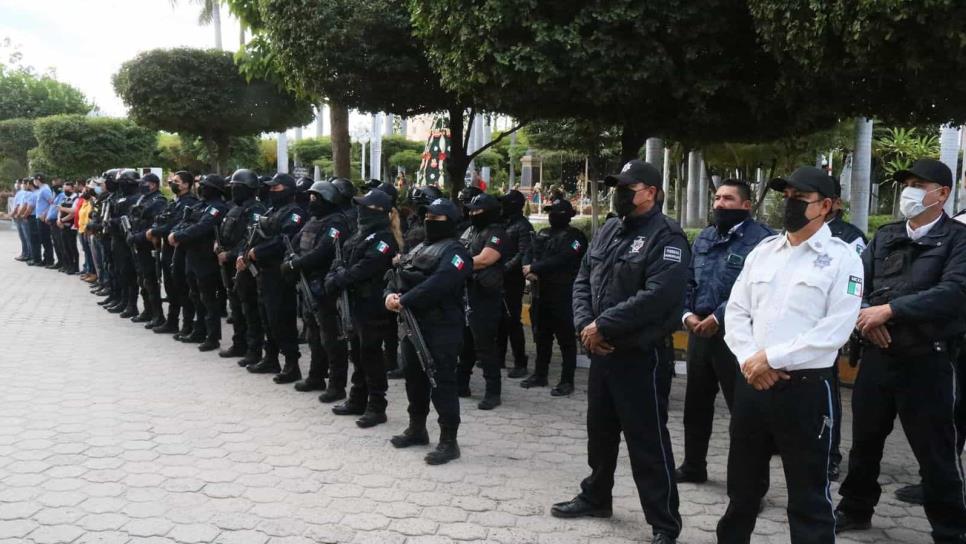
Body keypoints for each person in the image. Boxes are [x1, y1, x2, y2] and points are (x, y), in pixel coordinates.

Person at [716, 166, 863, 544]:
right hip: (752, 385)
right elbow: (736, 311)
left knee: (808, 498)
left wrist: (771, 358)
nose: (790, 204)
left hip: (805, 392)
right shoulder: (764, 252)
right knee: (742, 492)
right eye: (787, 197)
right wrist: (751, 360)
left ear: (825, 205)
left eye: (801, 198)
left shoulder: (843, 259)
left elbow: (835, 330)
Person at [551, 160, 687, 544]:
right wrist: (584, 325)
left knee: (647, 441)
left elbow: (660, 296)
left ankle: (664, 523)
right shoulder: (610, 228)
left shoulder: (668, 237)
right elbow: (583, 278)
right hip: (601, 351)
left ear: (652, 193)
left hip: (640, 356)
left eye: (629, 186)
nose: (620, 192)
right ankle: (597, 496)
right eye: (618, 186)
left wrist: (603, 325)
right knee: (600, 432)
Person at [835, 158, 966, 543]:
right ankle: (855, 508)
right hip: (879, 355)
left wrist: (889, 311)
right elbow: (855, 284)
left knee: (936, 450)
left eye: (919, 183)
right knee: (864, 441)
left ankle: (950, 528)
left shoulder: (959, 239)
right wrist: (865, 319)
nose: (909, 190)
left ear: (942, 194)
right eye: (907, 183)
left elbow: (955, 292)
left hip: (928, 359)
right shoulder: (886, 235)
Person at [676, 179, 774, 484]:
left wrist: (719, 317)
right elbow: (688, 279)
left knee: (745, 414)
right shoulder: (705, 237)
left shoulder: (764, 241)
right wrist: (687, 315)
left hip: (739, 338)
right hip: (700, 333)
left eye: (728, 199)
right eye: (717, 198)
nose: (719, 204)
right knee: (696, 406)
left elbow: (757, 290)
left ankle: (750, 484)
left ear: (747, 205)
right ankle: (694, 465)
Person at [387, 197, 473, 464]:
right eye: (427, 218)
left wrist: (405, 299)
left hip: (442, 327)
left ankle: (449, 441)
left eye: (436, 219)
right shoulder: (418, 248)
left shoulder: (456, 252)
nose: (428, 222)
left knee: (442, 382)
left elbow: (441, 282)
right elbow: (395, 275)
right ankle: (417, 428)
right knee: (414, 379)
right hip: (413, 325)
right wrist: (389, 295)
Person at [325, 189, 398, 427]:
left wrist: (341, 278)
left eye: (366, 206)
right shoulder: (362, 234)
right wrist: (335, 272)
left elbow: (368, 266)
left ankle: (377, 406)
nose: (360, 210)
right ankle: (357, 398)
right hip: (355, 303)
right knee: (356, 353)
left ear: (378, 211)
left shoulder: (384, 239)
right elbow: (343, 258)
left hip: (373, 306)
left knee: (371, 355)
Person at [282, 180, 349, 395]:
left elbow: (323, 251)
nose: (311, 202)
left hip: (324, 287)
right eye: (310, 198)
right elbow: (293, 242)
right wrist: (289, 260)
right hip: (307, 284)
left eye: (315, 198)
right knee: (313, 334)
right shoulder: (312, 221)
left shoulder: (336, 223)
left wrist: (296, 264)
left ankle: (337, 385)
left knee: (331, 338)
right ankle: (316, 376)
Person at [824, 176, 868, 482]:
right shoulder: (791, 234)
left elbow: (857, 286)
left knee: (826, 393)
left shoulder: (850, 238)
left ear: (835, 203)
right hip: (789, 330)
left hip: (826, 331)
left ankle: (830, 456)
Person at [520, 198, 587, 396]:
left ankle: (567, 381)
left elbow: (563, 258)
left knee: (566, 339)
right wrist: (528, 270)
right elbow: (529, 252)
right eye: (550, 211)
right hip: (541, 292)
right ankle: (540, 374)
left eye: (556, 212)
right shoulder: (543, 233)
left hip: (563, 293)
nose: (552, 215)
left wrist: (535, 268)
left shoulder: (576, 237)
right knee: (542, 336)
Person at [242, 173, 305, 381]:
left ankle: (291, 363)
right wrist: (247, 253)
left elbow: (284, 240)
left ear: (287, 190)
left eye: (276, 188)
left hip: (280, 272)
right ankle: (271, 358)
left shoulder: (295, 212)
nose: (271, 191)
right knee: (266, 316)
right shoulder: (273, 210)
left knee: (281, 318)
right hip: (264, 271)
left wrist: (257, 253)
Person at [457, 192, 506, 410]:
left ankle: (493, 392)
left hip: (485, 296)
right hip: (467, 293)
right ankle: (462, 384)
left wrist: (458, 264)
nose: (472, 213)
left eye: (477, 210)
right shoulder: (471, 230)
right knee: (465, 343)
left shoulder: (496, 232)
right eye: (471, 210)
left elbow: (486, 258)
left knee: (485, 346)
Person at [218, 169, 268, 367]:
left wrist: (232, 254)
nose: (233, 190)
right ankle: (239, 344)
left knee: (250, 308)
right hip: (229, 263)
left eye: (237, 187)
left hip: (245, 265)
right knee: (236, 306)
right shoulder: (233, 208)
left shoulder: (256, 209)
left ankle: (254, 349)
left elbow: (250, 237)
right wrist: (219, 247)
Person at [148, 172, 198, 336]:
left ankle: (187, 324)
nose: (172, 183)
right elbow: (162, 219)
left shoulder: (189, 203)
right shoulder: (174, 202)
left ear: (186, 185)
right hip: (167, 248)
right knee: (170, 287)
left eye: (176, 181)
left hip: (180, 251)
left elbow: (175, 225)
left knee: (181, 289)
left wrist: (155, 231)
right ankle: (172, 321)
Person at [498, 189, 534, 378]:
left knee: (512, 320)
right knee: (500, 319)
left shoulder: (523, 226)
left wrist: (504, 268)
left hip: (512, 279)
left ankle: (520, 362)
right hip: (500, 278)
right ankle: (500, 357)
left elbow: (523, 253)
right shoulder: (504, 224)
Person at [128, 174, 168, 326]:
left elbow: (156, 225)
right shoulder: (142, 198)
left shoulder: (159, 201)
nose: (141, 186)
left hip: (149, 245)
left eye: (145, 183)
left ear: (153, 184)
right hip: (138, 243)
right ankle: (148, 310)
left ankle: (158, 315)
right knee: (142, 280)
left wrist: (139, 236)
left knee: (151, 281)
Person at [106, 170, 141, 318]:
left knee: (129, 274)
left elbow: (128, 218)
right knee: (120, 271)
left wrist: (114, 221)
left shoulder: (136, 198)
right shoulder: (119, 197)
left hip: (126, 239)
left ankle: (131, 304)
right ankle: (123, 300)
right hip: (116, 238)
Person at [31, 173, 55, 266]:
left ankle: (49, 260)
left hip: (43, 218)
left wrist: (44, 213)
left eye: (34, 180)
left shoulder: (45, 190)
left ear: (38, 180)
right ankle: (46, 259)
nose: (34, 182)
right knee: (43, 239)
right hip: (40, 217)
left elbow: (51, 203)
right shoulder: (42, 189)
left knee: (46, 240)